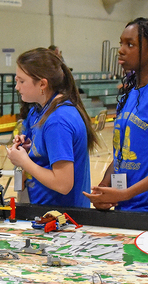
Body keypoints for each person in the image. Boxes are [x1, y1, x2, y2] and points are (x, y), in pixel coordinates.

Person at [86, 17, 148, 214]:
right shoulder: (130, 94)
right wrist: (105, 187)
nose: (121, 50)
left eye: (130, 44)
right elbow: (121, 154)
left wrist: (126, 194)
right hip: (126, 208)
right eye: (121, 43)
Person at [6, 48, 100, 209]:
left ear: (42, 84)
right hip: (45, 208)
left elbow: (63, 184)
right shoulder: (38, 110)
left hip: (64, 216)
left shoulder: (57, 121)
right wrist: (29, 146)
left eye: (21, 81)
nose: (17, 87)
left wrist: (23, 161)